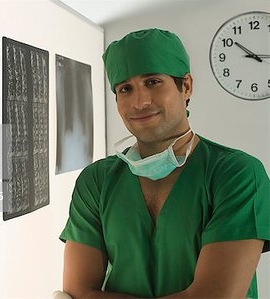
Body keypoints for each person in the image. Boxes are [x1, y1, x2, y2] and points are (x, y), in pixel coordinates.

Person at [59, 28, 270, 298]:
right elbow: (78, 291)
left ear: (187, 87)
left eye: (153, 82)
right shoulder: (96, 181)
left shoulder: (236, 174)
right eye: (125, 89)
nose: (140, 102)